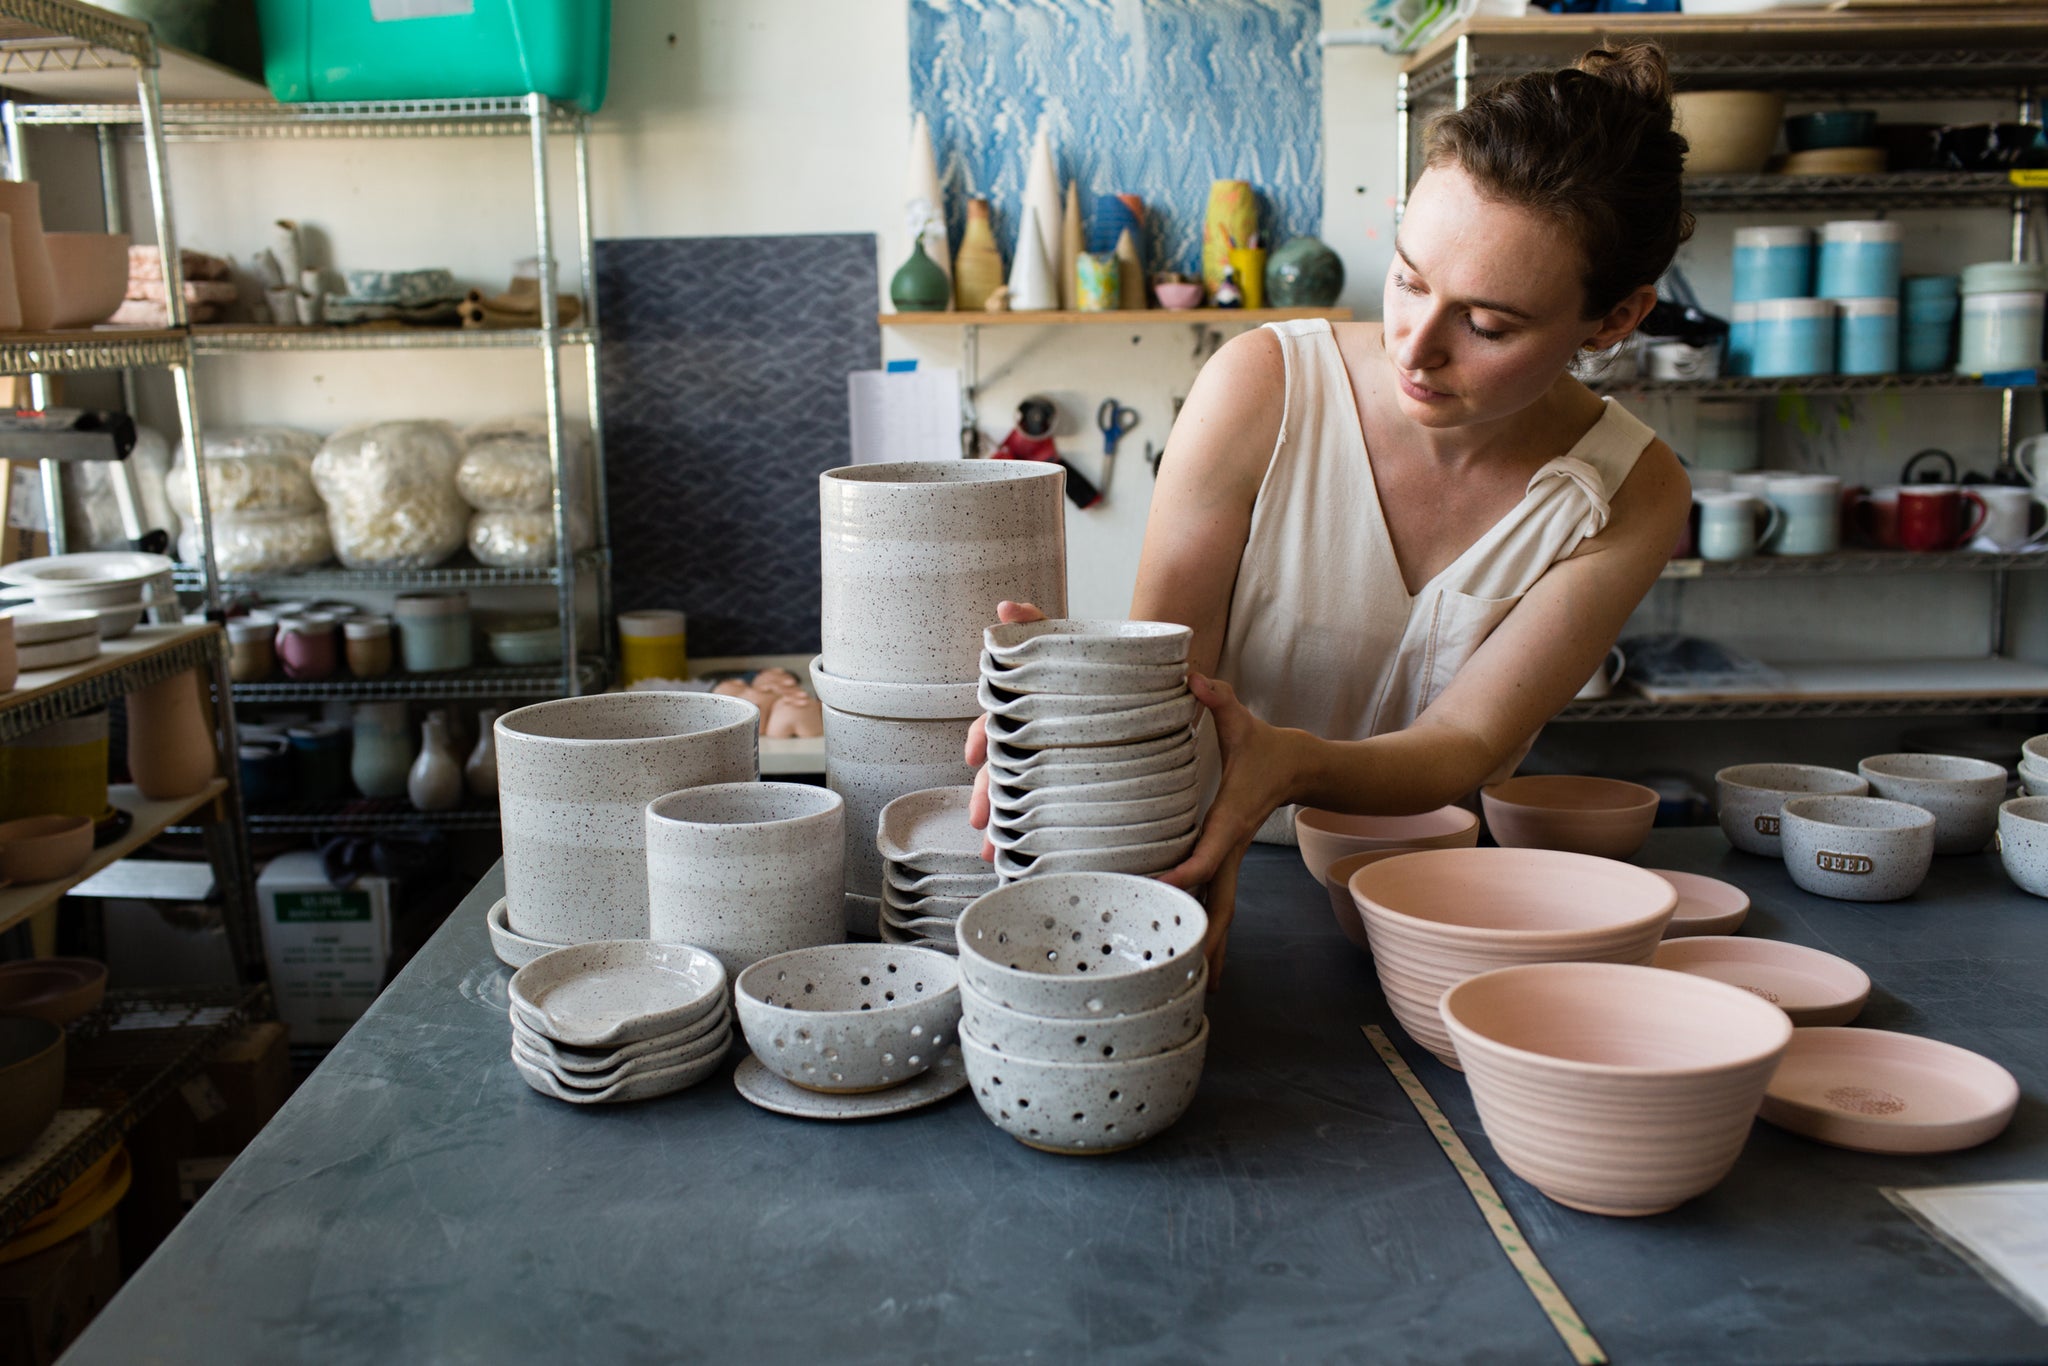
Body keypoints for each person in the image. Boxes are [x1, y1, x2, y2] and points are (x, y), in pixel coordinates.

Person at [969, 43, 1694, 981]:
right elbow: (1170, 671)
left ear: (1615, 321)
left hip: (1438, 904)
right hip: (1193, 854)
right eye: (1408, 278)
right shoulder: (1260, 387)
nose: (1416, 347)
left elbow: (1463, 743)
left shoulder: (1630, 489)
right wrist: (1069, 706)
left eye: (1489, 325)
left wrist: (1290, 763)